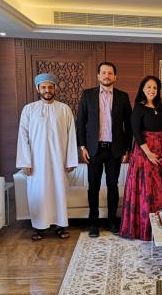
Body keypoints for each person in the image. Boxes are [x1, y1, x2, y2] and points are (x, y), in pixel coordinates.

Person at [16, 73, 78, 241]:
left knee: (59, 192)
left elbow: (72, 136)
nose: (47, 90)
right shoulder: (29, 109)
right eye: (43, 87)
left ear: (55, 89)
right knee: (39, 192)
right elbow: (22, 137)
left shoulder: (64, 109)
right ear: (38, 89)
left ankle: (60, 226)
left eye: (50, 87)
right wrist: (25, 162)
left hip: (59, 161)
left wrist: (71, 160)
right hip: (37, 163)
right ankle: (39, 228)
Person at [77, 62, 132, 238]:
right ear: (98, 76)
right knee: (93, 187)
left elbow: (128, 125)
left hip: (115, 150)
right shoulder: (87, 95)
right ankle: (93, 223)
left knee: (112, 187)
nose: (107, 76)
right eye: (103, 73)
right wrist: (82, 146)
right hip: (94, 149)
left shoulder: (123, 97)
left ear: (115, 76)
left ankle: (111, 221)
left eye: (110, 73)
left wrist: (127, 149)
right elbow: (81, 122)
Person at [119, 76, 162, 240]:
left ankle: (161, 229)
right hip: (144, 154)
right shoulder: (139, 108)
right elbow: (136, 132)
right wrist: (148, 153)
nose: (152, 90)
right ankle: (145, 229)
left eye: (155, 88)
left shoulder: (161, 107)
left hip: (161, 154)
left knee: (161, 189)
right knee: (147, 189)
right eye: (148, 87)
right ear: (143, 89)